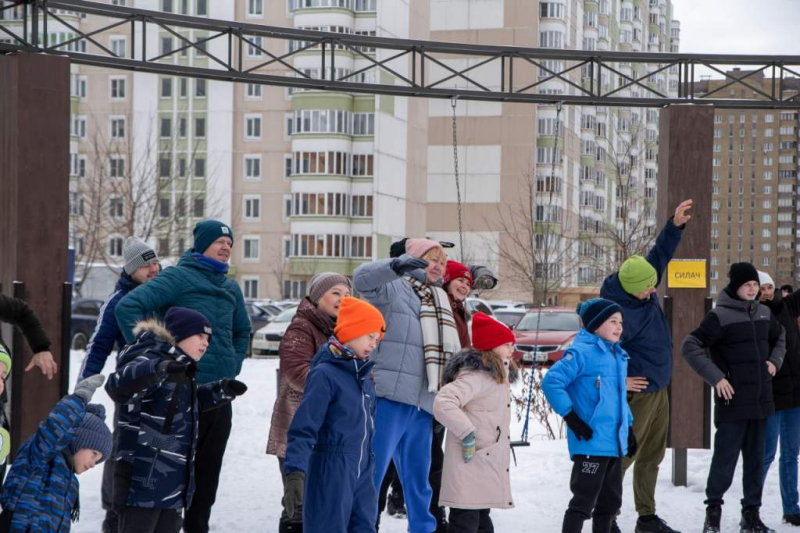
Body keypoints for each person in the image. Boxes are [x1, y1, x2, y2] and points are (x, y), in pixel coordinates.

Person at [115, 220, 251, 533]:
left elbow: (243, 329)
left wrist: (233, 364)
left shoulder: (231, 287)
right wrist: (154, 354)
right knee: (170, 480)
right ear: (202, 245)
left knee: (207, 479)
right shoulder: (178, 277)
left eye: (229, 243)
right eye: (219, 241)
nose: (226, 247)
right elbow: (129, 307)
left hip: (218, 396)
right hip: (176, 397)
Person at [106, 307, 248, 533]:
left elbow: (182, 405)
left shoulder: (181, 368)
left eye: (208, 338)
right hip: (142, 484)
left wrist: (220, 390)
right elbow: (117, 386)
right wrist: (159, 369)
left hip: (172, 485)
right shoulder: (148, 354)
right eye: (200, 336)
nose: (206, 343)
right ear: (180, 333)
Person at [354, 238, 460, 532]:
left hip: (423, 404)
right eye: (432, 259)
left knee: (419, 481)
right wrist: (394, 266)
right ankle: (361, 526)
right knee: (372, 475)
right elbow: (362, 279)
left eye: (443, 261)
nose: (439, 266)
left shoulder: (438, 299)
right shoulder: (394, 287)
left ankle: (423, 529)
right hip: (389, 396)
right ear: (412, 259)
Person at [600, 199, 692, 533]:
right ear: (631, 288)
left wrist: (674, 226)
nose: (654, 290)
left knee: (652, 456)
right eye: (648, 287)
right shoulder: (613, 312)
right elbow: (597, 353)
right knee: (624, 457)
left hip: (658, 388)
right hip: (635, 395)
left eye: (653, 284)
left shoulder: (641, 283)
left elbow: (658, 256)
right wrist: (620, 380)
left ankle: (647, 517)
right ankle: (606, 516)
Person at [681, 262, 786, 533]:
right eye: (747, 285)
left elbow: (780, 336)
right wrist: (716, 377)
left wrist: (775, 360)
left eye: (755, 285)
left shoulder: (763, 313)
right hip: (733, 402)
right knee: (724, 461)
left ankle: (750, 516)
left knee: (755, 461)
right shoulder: (719, 316)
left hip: (761, 400)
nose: (752, 290)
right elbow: (690, 345)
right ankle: (712, 514)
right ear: (735, 287)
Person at [76, 236, 160, 533]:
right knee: (123, 450)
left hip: (165, 391)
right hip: (130, 392)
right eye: (146, 264)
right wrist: (82, 391)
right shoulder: (117, 302)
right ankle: (114, 510)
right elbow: (98, 346)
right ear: (130, 269)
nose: (153, 268)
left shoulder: (162, 296)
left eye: (155, 262)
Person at [282, 296, 386, 533]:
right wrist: (295, 471)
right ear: (351, 332)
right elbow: (304, 427)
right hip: (331, 470)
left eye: (377, 339)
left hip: (363, 471)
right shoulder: (325, 375)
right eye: (370, 336)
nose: (374, 344)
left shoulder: (365, 379)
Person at [266, 272, 352, 533]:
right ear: (317, 297)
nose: (342, 299)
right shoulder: (301, 327)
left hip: (329, 431)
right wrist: (339, 390)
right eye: (335, 293)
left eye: (347, 295)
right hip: (298, 426)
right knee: (298, 504)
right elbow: (295, 371)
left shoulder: (343, 330)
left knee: (322, 504)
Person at [542, 299, 635, 533]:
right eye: (612, 321)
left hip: (613, 443)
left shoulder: (616, 355)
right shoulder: (581, 352)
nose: (619, 326)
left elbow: (618, 396)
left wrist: (629, 428)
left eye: (620, 322)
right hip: (591, 441)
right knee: (583, 502)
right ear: (595, 325)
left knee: (610, 504)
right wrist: (571, 416)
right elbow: (552, 382)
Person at [433, 312, 519, 533]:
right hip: (470, 463)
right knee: (465, 523)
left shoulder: (496, 375)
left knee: (482, 522)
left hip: (483, 462)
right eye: (507, 344)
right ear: (491, 346)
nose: (512, 350)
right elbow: (443, 402)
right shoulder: (476, 375)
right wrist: (467, 432)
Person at [0, 373, 112, 531]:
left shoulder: (69, 482)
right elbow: (57, 427)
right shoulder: (42, 455)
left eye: (98, 460)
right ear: (79, 440)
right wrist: (81, 397)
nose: (94, 464)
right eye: (94, 454)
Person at [758, 270, 800, 526]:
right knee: (765, 455)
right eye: (760, 288)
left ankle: (791, 507)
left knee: (791, 455)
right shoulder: (749, 314)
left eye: (768, 287)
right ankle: (751, 507)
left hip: (795, 396)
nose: (765, 292)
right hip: (770, 396)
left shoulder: (786, 307)